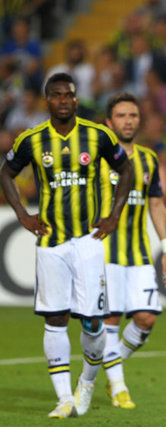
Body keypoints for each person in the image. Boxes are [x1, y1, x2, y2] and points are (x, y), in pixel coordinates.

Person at [0, 73, 133, 418]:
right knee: (55, 318)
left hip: (88, 240)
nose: (63, 100)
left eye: (68, 95)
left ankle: (86, 383)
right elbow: (6, 173)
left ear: (76, 99)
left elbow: (126, 169)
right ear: (48, 100)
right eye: (56, 95)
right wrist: (23, 215)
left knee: (92, 321)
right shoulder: (32, 139)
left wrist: (114, 215)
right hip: (51, 242)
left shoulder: (97, 135)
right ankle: (63, 399)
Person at [99, 93, 166, 409]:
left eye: (132, 115)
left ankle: (111, 365)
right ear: (109, 122)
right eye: (121, 115)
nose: (128, 121)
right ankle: (118, 385)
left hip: (139, 253)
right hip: (105, 251)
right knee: (111, 318)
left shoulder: (148, 159)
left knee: (146, 318)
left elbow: (156, 203)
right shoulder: (97, 158)